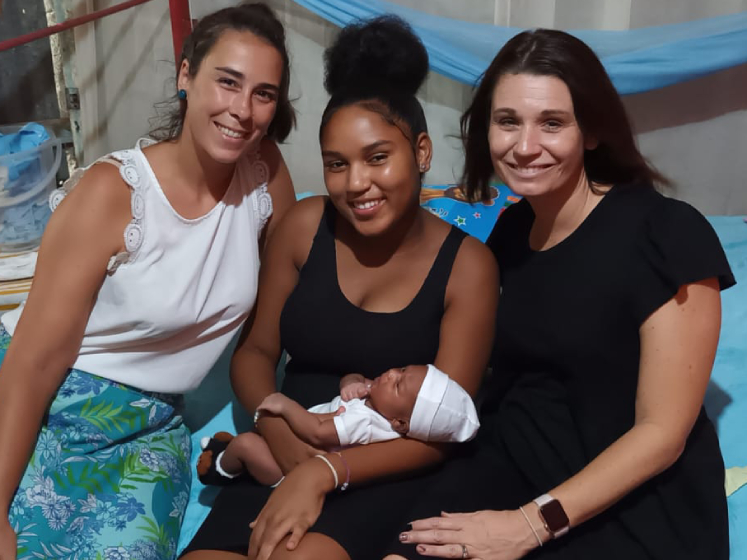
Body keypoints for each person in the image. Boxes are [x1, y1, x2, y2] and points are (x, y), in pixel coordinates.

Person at [390, 28, 735, 560]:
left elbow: (663, 434)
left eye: (552, 123)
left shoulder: (666, 233)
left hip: (628, 504)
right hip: (511, 466)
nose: (525, 147)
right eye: (508, 122)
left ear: (592, 131)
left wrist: (528, 525)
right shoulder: (507, 232)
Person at [181, 15, 498, 560]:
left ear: (421, 153)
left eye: (378, 158)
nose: (356, 184)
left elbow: (448, 430)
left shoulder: (469, 266)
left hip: (381, 471)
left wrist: (327, 471)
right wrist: (274, 424)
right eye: (336, 164)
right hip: (283, 452)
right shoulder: (304, 228)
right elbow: (254, 353)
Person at [0, 3, 297, 558]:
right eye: (226, 83)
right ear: (186, 75)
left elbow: (298, 289)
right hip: (44, 403)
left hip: (149, 428)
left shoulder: (265, 177)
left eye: (263, 93)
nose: (242, 110)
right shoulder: (113, 194)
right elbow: (34, 361)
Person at [197, 364, 480, 486]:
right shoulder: (377, 400)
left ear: (400, 423)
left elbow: (317, 432)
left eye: (398, 384)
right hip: (291, 439)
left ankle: (223, 468)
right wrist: (354, 384)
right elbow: (349, 380)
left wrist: (286, 405)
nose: (392, 373)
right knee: (257, 437)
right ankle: (233, 450)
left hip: (288, 465)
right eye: (403, 370)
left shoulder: (367, 423)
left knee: (249, 445)